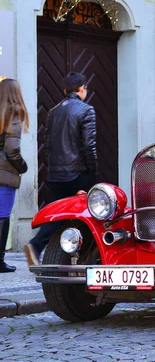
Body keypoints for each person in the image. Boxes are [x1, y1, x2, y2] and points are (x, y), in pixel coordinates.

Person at [24, 72, 97, 266]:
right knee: (87, 215)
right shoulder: (86, 110)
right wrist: (92, 173)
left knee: (58, 214)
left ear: (65, 91)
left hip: (57, 174)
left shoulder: (53, 112)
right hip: (77, 173)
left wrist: (52, 168)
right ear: (82, 88)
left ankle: (50, 251)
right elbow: (89, 146)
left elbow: (47, 146)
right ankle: (44, 247)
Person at [0, 80, 29, 273]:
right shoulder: (14, 112)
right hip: (4, 173)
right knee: (2, 216)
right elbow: (12, 149)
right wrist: (22, 166)